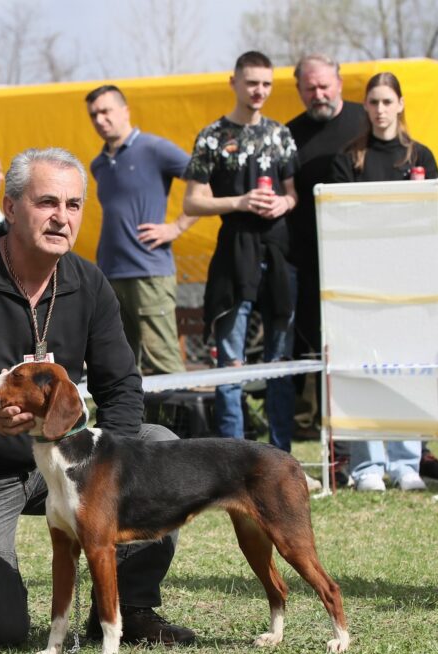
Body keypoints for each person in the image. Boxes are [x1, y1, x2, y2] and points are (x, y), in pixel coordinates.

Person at [0, 147, 194, 648]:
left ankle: (126, 609)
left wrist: (104, 466)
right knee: (0, 631)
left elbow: (121, 385)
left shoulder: (88, 283)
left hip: (62, 458)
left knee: (158, 444)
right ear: (10, 208)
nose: (62, 217)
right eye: (47, 202)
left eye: (73, 205)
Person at [327, 71, 438, 492]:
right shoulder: (349, 158)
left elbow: (433, 217)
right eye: (372, 102)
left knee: (406, 371)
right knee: (363, 372)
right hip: (358, 285)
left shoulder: (421, 156)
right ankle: (366, 466)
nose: (379, 110)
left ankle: (406, 462)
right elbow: (340, 219)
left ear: (400, 104)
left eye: (386, 102)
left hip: (410, 285)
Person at [182, 51, 300, 454]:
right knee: (229, 361)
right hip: (234, 253)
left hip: (278, 251)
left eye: (266, 84)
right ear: (233, 82)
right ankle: (233, 458)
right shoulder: (212, 136)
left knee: (280, 360)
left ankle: (281, 452)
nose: (259, 91)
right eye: (252, 83)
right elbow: (192, 202)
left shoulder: (280, 134)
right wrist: (241, 202)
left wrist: (283, 204)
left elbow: (292, 193)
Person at [85, 84, 195, 375]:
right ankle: (129, 423)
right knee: (119, 365)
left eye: (106, 111)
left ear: (125, 111)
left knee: (164, 365)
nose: (99, 120)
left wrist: (176, 226)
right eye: (93, 114)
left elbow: (205, 181)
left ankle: (176, 423)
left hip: (149, 273)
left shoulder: (154, 149)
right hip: (110, 275)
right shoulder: (99, 164)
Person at [286, 54, 366, 365]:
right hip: (310, 264)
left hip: (362, 259)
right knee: (314, 348)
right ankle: (314, 414)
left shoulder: (367, 122)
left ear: (340, 84)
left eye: (324, 86)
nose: (318, 95)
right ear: (298, 90)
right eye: (310, 89)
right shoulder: (289, 135)